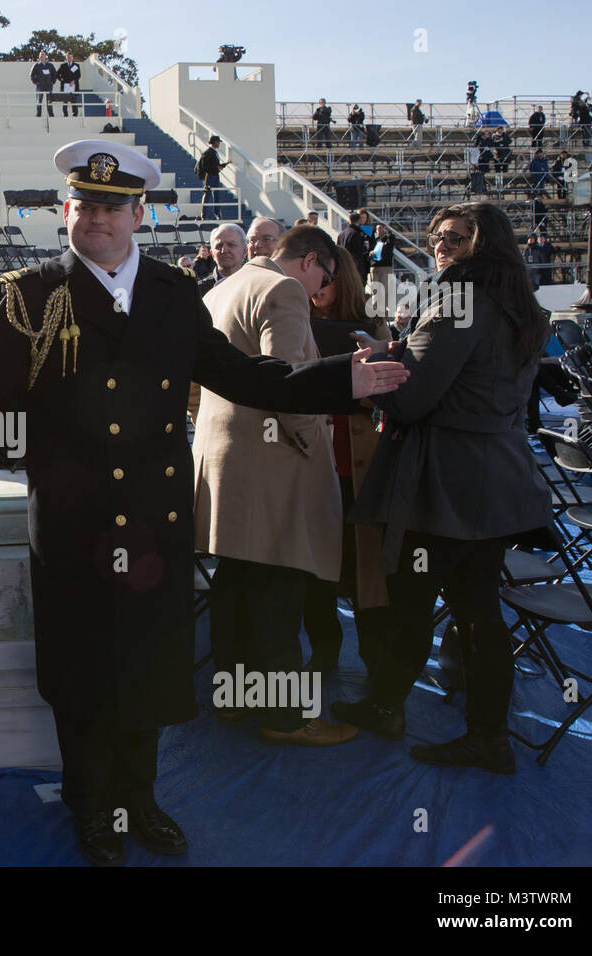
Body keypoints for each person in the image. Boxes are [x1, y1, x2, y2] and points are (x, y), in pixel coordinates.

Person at [0, 138, 408, 866]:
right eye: (84, 205)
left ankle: (141, 798)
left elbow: (248, 377)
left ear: (139, 213)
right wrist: (56, 447)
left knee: (146, 668)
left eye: (112, 207)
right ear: (67, 210)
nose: (96, 218)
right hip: (74, 526)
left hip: (153, 524)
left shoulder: (176, 295)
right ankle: (95, 807)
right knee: (81, 675)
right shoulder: (27, 294)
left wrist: (340, 381)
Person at [336, 201, 553, 774]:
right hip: (495, 476)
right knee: (476, 609)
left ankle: (392, 708)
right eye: (437, 236)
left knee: (414, 603)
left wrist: (377, 363)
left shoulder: (461, 302)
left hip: (444, 481)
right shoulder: (518, 304)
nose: (440, 246)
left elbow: (411, 399)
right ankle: (485, 735)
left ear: (485, 246)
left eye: (456, 239)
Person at [191, 227, 358, 747]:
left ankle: (236, 703)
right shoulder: (282, 289)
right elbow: (288, 383)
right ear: (311, 261)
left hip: (224, 462)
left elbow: (196, 388)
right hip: (274, 467)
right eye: (324, 279)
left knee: (236, 586)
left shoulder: (221, 288)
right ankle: (285, 717)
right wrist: (314, 450)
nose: (319, 291)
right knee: (278, 595)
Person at [300, 246, 393, 675]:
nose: (318, 288)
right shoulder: (295, 318)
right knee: (317, 572)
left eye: (327, 279)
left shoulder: (372, 325)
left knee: (367, 574)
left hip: (357, 463)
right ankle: (325, 653)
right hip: (311, 463)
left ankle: (378, 666)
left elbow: (390, 392)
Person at [197, 222, 245, 294]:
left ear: (244, 251)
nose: (224, 250)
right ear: (212, 254)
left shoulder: (256, 285)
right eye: (219, 246)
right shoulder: (198, 291)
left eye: (231, 245)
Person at [195, 135, 229, 218]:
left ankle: (217, 214)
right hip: (209, 176)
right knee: (207, 194)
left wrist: (224, 164)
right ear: (214, 142)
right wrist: (216, 167)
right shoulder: (208, 152)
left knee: (216, 194)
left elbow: (215, 165)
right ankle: (204, 215)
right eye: (218, 142)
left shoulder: (214, 152)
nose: (219, 144)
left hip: (215, 175)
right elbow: (205, 166)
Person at [366, 223, 395, 316]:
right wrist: (370, 253)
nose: (379, 231)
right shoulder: (374, 240)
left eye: (380, 228)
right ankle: (375, 312)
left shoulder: (388, 239)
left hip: (385, 267)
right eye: (377, 229)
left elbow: (392, 239)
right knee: (375, 291)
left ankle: (384, 314)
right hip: (375, 267)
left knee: (385, 291)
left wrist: (387, 231)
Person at [337, 211, 370, 283]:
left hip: (344, 267)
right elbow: (360, 251)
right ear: (359, 220)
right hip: (356, 267)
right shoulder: (357, 233)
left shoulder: (341, 234)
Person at [30, 52, 57, 118]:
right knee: (39, 100)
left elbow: (55, 74)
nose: (42, 56)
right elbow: (32, 74)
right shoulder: (36, 65)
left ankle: (51, 115)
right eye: (40, 55)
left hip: (49, 85)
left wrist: (52, 82)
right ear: (39, 57)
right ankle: (38, 114)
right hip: (40, 85)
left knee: (49, 100)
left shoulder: (50, 65)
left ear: (45, 56)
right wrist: (35, 82)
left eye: (43, 55)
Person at [58, 52, 81, 117]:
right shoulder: (63, 66)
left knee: (74, 101)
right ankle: (65, 115)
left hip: (73, 86)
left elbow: (78, 75)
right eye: (68, 57)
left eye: (70, 57)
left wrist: (74, 81)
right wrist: (61, 80)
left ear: (72, 58)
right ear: (66, 57)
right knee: (65, 102)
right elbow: (58, 74)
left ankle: (75, 115)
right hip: (65, 87)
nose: (69, 58)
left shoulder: (76, 65)